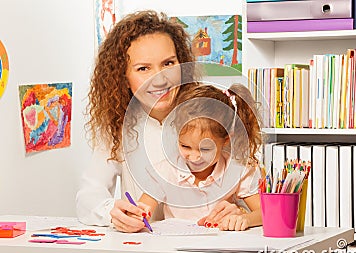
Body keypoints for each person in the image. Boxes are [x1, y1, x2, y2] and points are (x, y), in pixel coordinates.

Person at [76, 10, 243, 233]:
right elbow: (88, 196)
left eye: (168, 64)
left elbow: (248, 188)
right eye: (143, 68)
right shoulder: (117, 126)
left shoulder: (210, 115)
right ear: (122, 76)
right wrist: (112, 212)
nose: (160, 79)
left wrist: (239, 211)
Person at [131, 83, 263, 231]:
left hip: (221, 248)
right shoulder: (165, 170)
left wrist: (244, 218)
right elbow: (141, 210)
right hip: (175, 248)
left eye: (205, 149)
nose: (194, 157)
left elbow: (265, 213)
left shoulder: (237, 168)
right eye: (185, 146)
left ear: (226, 140)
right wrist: (134, 217)